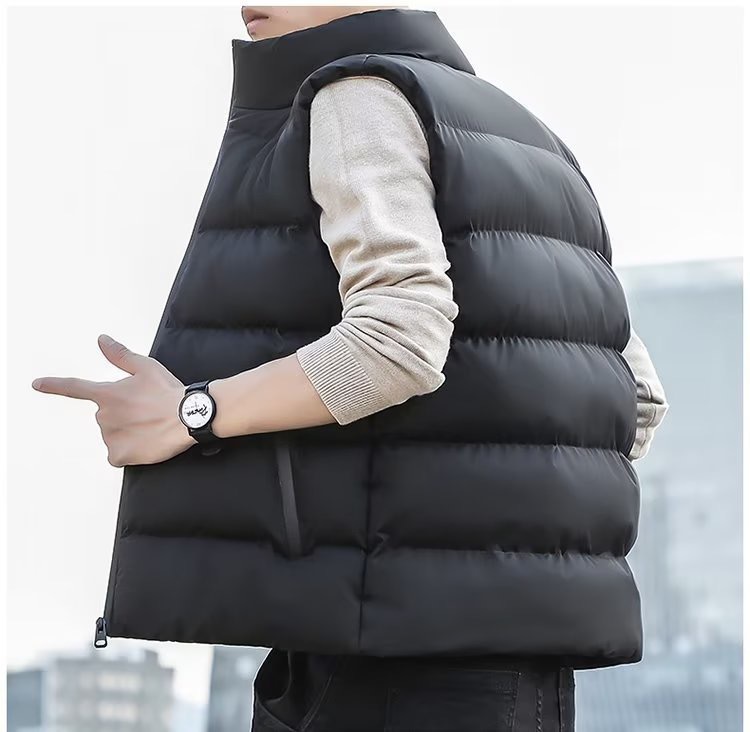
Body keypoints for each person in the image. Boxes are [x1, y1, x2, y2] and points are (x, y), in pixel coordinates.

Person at [31, 6, 669, 731]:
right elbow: (636, 402)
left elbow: (400, 339)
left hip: (381, 661)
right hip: (520, 674)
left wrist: (190, 414)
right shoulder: (537, 143)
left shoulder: (358, 95)